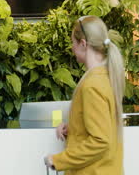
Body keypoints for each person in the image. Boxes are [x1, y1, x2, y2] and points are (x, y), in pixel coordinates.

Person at [44, 16, 124, 174]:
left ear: (83, 44)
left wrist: (58, 160)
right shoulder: (105, 77)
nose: (72, 48)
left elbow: (100, 141)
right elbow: (101, 130)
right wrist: (73, 129)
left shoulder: (92, 85)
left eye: (73, 42)